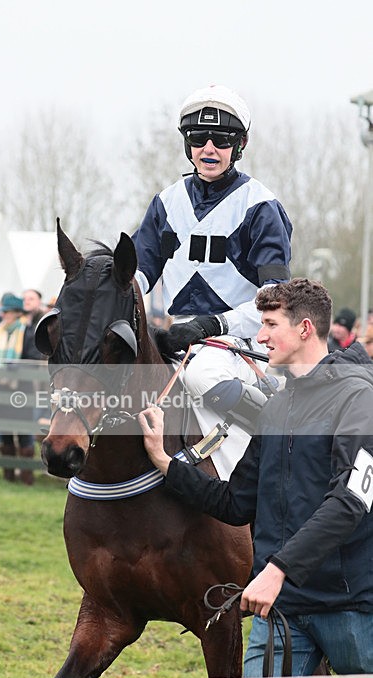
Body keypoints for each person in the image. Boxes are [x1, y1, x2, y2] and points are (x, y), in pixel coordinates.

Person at [138, 278, 373, 678]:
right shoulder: (277, 406)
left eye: (270, 325)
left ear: (304, 329)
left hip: (355, 609)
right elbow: (235, 502)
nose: (260, 337)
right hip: (281, 616)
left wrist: (277, 568)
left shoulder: (359, 398)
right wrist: (163, 462)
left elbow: (351, 503)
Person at [132, 84, 292, 472]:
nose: (208, 149)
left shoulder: (261, 206)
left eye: (221, 140)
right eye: (197, 138)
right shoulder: (166, 201)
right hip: (178, 338)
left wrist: (213, 324)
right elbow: (137, 273)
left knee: (204, 373)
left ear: (241, 144)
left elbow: (275, 302)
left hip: (241, 341)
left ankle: (280, 444)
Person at [0, 292, 37, 485]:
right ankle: (8, 475)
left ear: (17, 313)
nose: (3, 315)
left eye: (7, 312)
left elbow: (34, 358)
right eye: (3, 312)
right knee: (4, 431)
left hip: (21, 388)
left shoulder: (27, 332)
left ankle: (26, 476)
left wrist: (18, 367)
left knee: (24, 432)